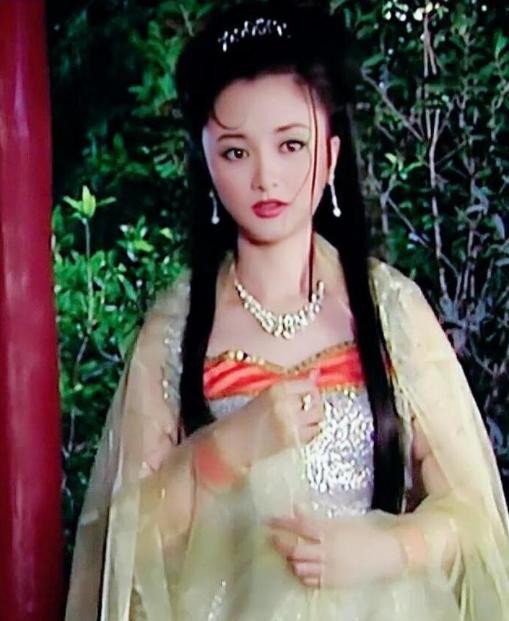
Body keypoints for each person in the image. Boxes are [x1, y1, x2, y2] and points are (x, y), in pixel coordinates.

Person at [64, 2, 509, 619]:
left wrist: (389, 548)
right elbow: (122, 543)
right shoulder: (176, 329)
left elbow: (473, 512)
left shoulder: (391, 310)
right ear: (205, 159)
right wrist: (225, 449)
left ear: (330, 156)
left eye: (291, 144)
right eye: (236, 153)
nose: (266, 178)